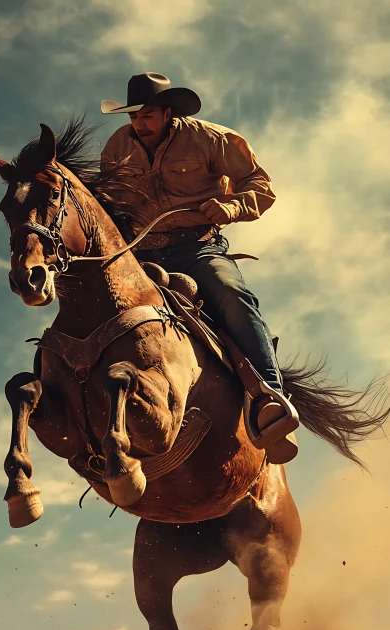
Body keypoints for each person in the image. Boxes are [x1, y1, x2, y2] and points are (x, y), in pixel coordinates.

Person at [100, 72, 298, 464]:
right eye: (134, 116)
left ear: (168, 112)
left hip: (199, 247)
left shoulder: (211, 138)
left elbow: (259, 184)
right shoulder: (116, 148)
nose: (140, 123)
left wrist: (232, 207)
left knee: (232, 294)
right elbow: (109, 203)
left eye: (148, 115)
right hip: (143, 255)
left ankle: (268, 399)